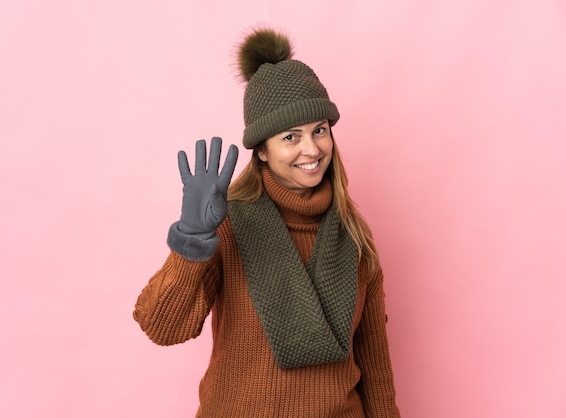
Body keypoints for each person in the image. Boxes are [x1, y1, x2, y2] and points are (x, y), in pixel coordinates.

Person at [133, 27, 401, 417]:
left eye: (319, 130)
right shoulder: (228, 227)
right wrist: (191, 240)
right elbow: (162, 326)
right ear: (261, 151)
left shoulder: (355, 238)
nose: (312, 149)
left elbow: (375, 366)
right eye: (290, 137)